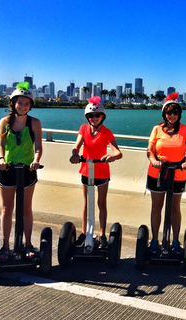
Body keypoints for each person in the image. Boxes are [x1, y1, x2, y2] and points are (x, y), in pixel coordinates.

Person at [0, 82, 43, 261]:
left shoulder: (34, 123)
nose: (22, 106)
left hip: (27, 170)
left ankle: (28, 243)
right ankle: (6, 245)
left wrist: (36, 161)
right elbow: (0, 146)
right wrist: (1, 160)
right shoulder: (4, 122)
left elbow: (38, 147)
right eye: (19, 103)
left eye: (26, 103)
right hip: (7, 169)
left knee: (26, 210)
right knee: (7, 208)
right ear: (13, 104)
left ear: (30, 105)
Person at [69, 96, 122, 252]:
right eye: (91, 115)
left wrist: (112, 156)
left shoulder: (106, 132)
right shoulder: (83, 129)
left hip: (102, 172)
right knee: (86, 203)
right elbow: (77, 146)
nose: (94, 118)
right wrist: (74, 154)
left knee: (101, 203)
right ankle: (85, 233)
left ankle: (102, 234)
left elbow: (118, 152)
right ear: (87, 117)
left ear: (102, 116)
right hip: (86, 170)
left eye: (97, 115)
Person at [146, 92, 186, 254]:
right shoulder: (157, 129)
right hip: (157, 173)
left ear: (179, 114)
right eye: (169, 112)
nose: (172, 115)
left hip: (178, 173)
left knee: (175, 208)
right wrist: (153, 160)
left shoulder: (185, 129)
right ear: (164, 114)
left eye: (175, 112)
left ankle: (174, 241)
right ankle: (154, 240)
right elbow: (150, 151)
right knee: (156, 207)